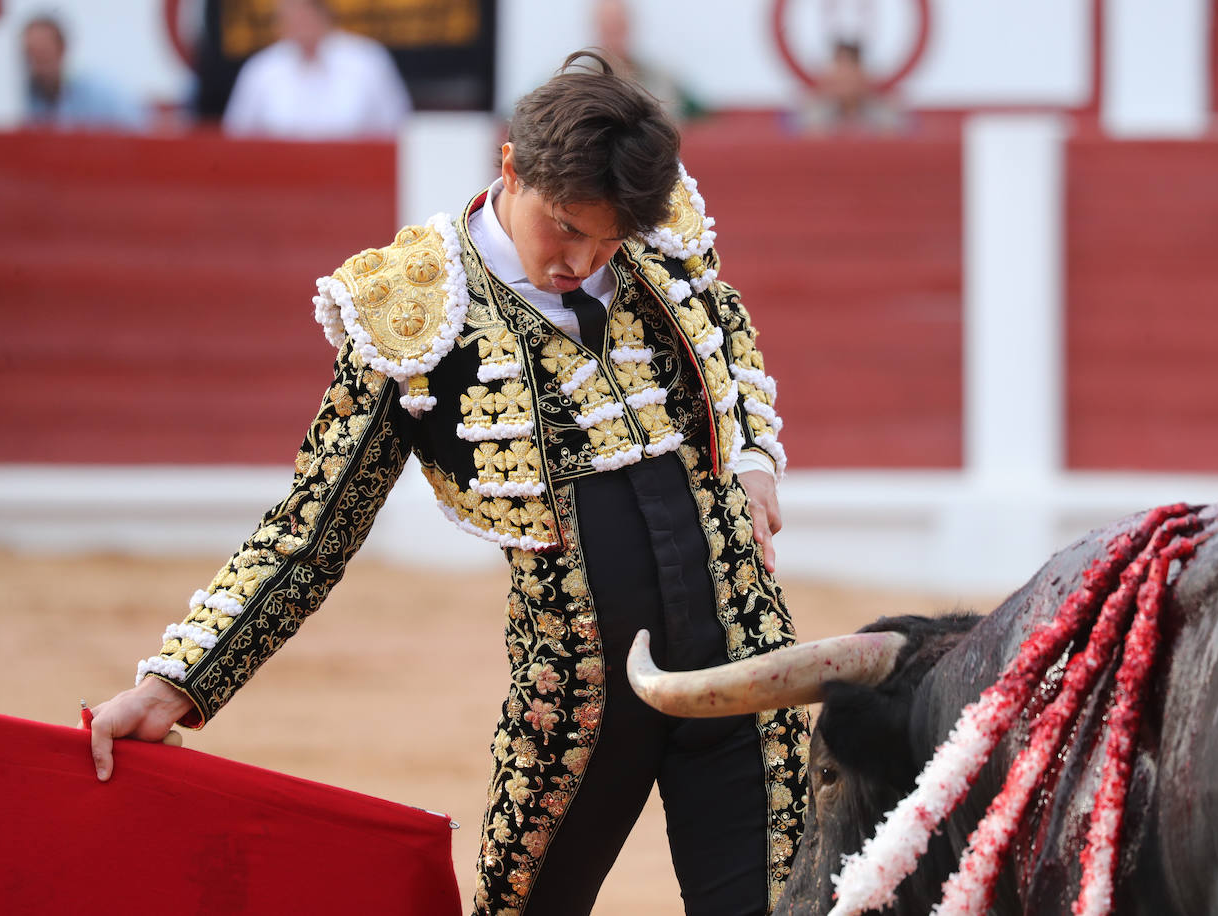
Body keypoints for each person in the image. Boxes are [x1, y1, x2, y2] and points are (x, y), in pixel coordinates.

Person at [87, 51, 807, 916]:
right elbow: (314, 526)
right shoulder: (413, 309)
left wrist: (754, 452)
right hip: (578, 698)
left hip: (743, 649)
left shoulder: (655, 228)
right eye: (568, 228)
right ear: (511, 165)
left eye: (609, 239)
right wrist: (176, 680)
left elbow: (724, 321)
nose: (585, 259)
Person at [222, 0, 411, 140]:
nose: (299, 21)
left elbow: (399, 130)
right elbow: (236, 137)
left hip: (357, 180)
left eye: (305, 12)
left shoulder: (367, 62)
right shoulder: (261, 69)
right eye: (289, 14)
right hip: (280, 183)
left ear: (323, 13)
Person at [22, 15, 150, 131]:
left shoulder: (102, 92)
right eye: (30, 55)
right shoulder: (32, 95)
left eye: (42, 53)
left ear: (62, 49)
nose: (36, 63)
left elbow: (139, 132)